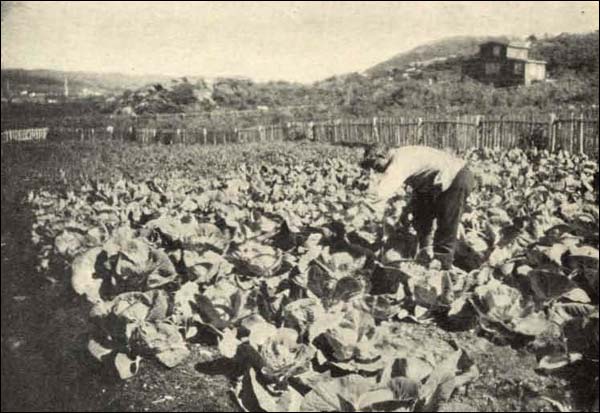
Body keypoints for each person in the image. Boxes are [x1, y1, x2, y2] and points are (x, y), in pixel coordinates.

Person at [361, 144, 475, 270]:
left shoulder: (400, 161)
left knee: (447, 222)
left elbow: (381, 192)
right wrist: (406, 210)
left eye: (376, 165)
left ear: (382, 156)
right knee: (420, 214)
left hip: (456, 178)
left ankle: (442, 265)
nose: (376, 171)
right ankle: (425, 252)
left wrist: (361, 208)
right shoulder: (401, 156)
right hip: (433, 182)